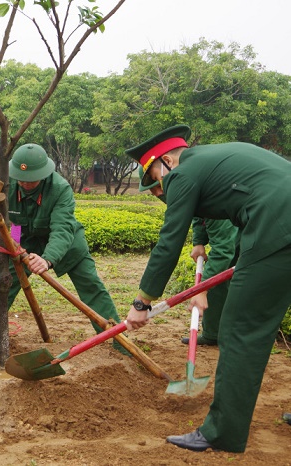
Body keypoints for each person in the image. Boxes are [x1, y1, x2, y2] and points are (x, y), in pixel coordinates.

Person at [125, 124, 291, 453]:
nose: (161, 188)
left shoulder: (183, 174)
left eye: (157, 178)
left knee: (241, 329)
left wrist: (142, 301)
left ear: (168, 161)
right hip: (276, 220)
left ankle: (222, 433)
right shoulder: (211, 160)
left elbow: (169, 241)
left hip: (277, 225)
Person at [0, 143, 127, 355]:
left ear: (44, 174)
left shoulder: (60, 189)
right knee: (3, 280)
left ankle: (118, 338)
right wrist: (3, 240)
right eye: (21, 178)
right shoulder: (6, 188)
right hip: (26, 242)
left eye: (31, 179)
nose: (25, 184)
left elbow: (62, 229)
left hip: (67, 244)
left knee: (91, 285)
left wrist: (47, 259)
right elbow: (12, 223)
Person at [138, 166, 238, 346]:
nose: (160, 194)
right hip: (235, 236)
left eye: (160, 186)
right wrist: (199, 242)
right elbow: (197, 213)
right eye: (154, 192)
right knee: (217, 282)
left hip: (260, 233)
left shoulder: (212, 190)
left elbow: (223, 250)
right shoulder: (192, 190)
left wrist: (201, 291)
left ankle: (241, 340)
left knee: (243, 284)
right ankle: (213, 334)